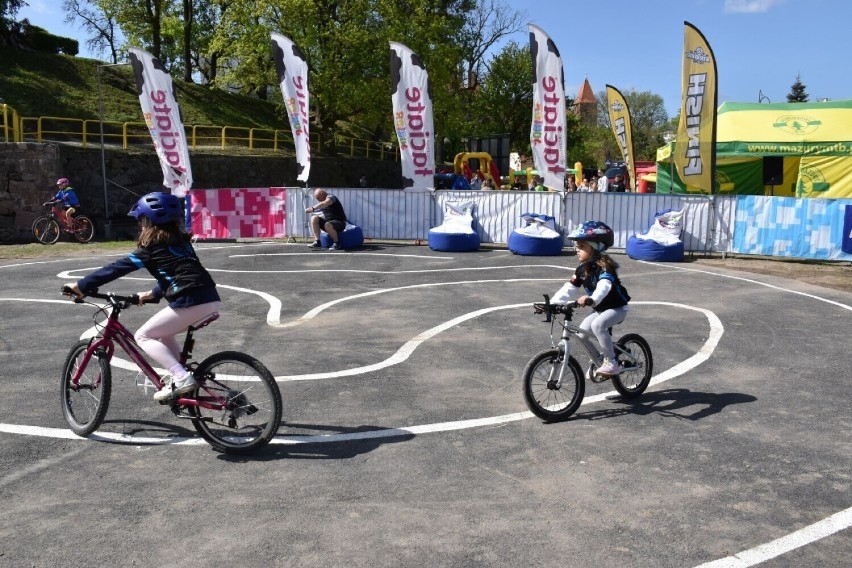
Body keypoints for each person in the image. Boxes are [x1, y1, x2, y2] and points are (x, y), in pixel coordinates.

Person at [67, 192, 221, 401]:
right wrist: (150, 294)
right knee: (165, 335)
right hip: (210, 299)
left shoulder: (150, 249)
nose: (140, 226)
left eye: (140, 221)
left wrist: (81, 286)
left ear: (148, 221)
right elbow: (179, 275)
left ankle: (181, 376)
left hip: (190, 301)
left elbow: (115, 269)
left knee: (143, 336)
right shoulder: (181, 243)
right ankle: (182, 378)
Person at [548, 221, 630, 377]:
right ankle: (599, 360)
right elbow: (569, 288)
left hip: (617, 308)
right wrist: (552, 304)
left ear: (595, 248)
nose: (577, 249)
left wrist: (592, 299)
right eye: (577, 246)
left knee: (598, 324)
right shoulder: (581, 270)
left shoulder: (605, 267)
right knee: (581, 336)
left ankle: (611, 362)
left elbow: (604, 286)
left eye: (582, 246)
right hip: (600, 309)